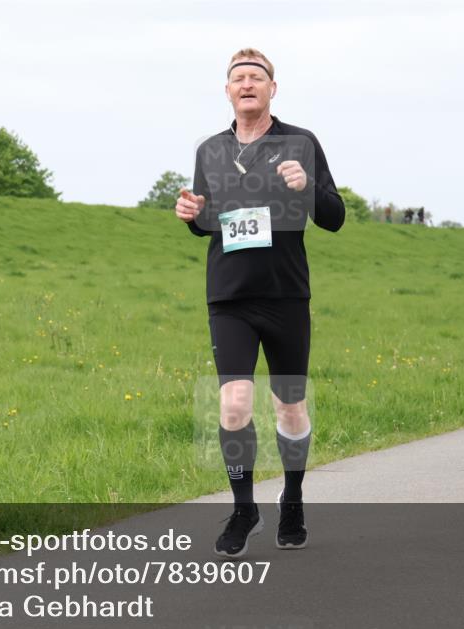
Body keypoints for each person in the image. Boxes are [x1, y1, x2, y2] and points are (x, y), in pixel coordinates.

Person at [174, 48, 345, 558]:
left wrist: (307, 186)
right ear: (227, 91)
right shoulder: (209, 150)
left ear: (273, 88)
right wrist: (190, 214)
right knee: (233, 403)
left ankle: (292, 497)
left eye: (256, 77)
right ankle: (244, 507)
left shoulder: (301, 142)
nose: (246, 83)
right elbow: (208, 219)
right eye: (237, 78)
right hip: (229, 295)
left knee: (289, 406)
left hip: (286, 295)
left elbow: (334, 217)